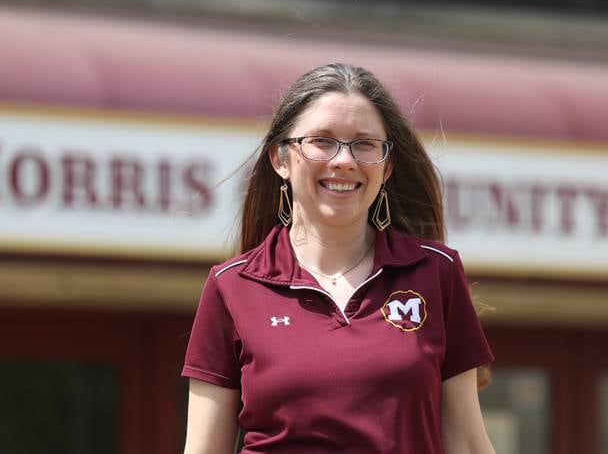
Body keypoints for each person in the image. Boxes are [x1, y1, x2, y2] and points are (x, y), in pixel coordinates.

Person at [182, 62, 495, 454]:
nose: (344, 160)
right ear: (281, 159)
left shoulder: (436, 272)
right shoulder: (231, 286)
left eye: (365, 144)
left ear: (387, 167)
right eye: (322, 141)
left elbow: (466, 442)